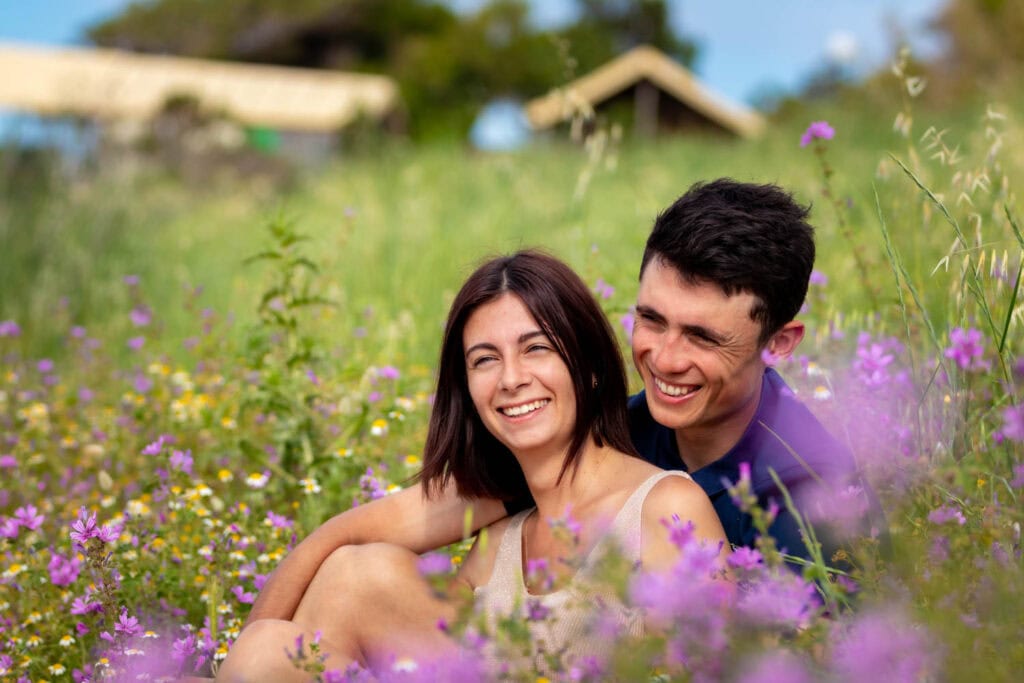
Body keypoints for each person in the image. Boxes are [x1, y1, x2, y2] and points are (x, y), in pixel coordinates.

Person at [239, 178, 880, 646]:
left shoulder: (815, 501)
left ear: (779, 344)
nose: (663, 358)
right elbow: (364, 533)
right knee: (351, 576)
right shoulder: (607, 434)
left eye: (704, 338)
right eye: (651, 320)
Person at [216, 251, 728, 680]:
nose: (511, 379)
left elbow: (711, 668)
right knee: (297, 621)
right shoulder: (497, 545)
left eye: (537, 349)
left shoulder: (663, 508)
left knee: (350, 581)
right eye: (485, 360)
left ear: (591, 369)